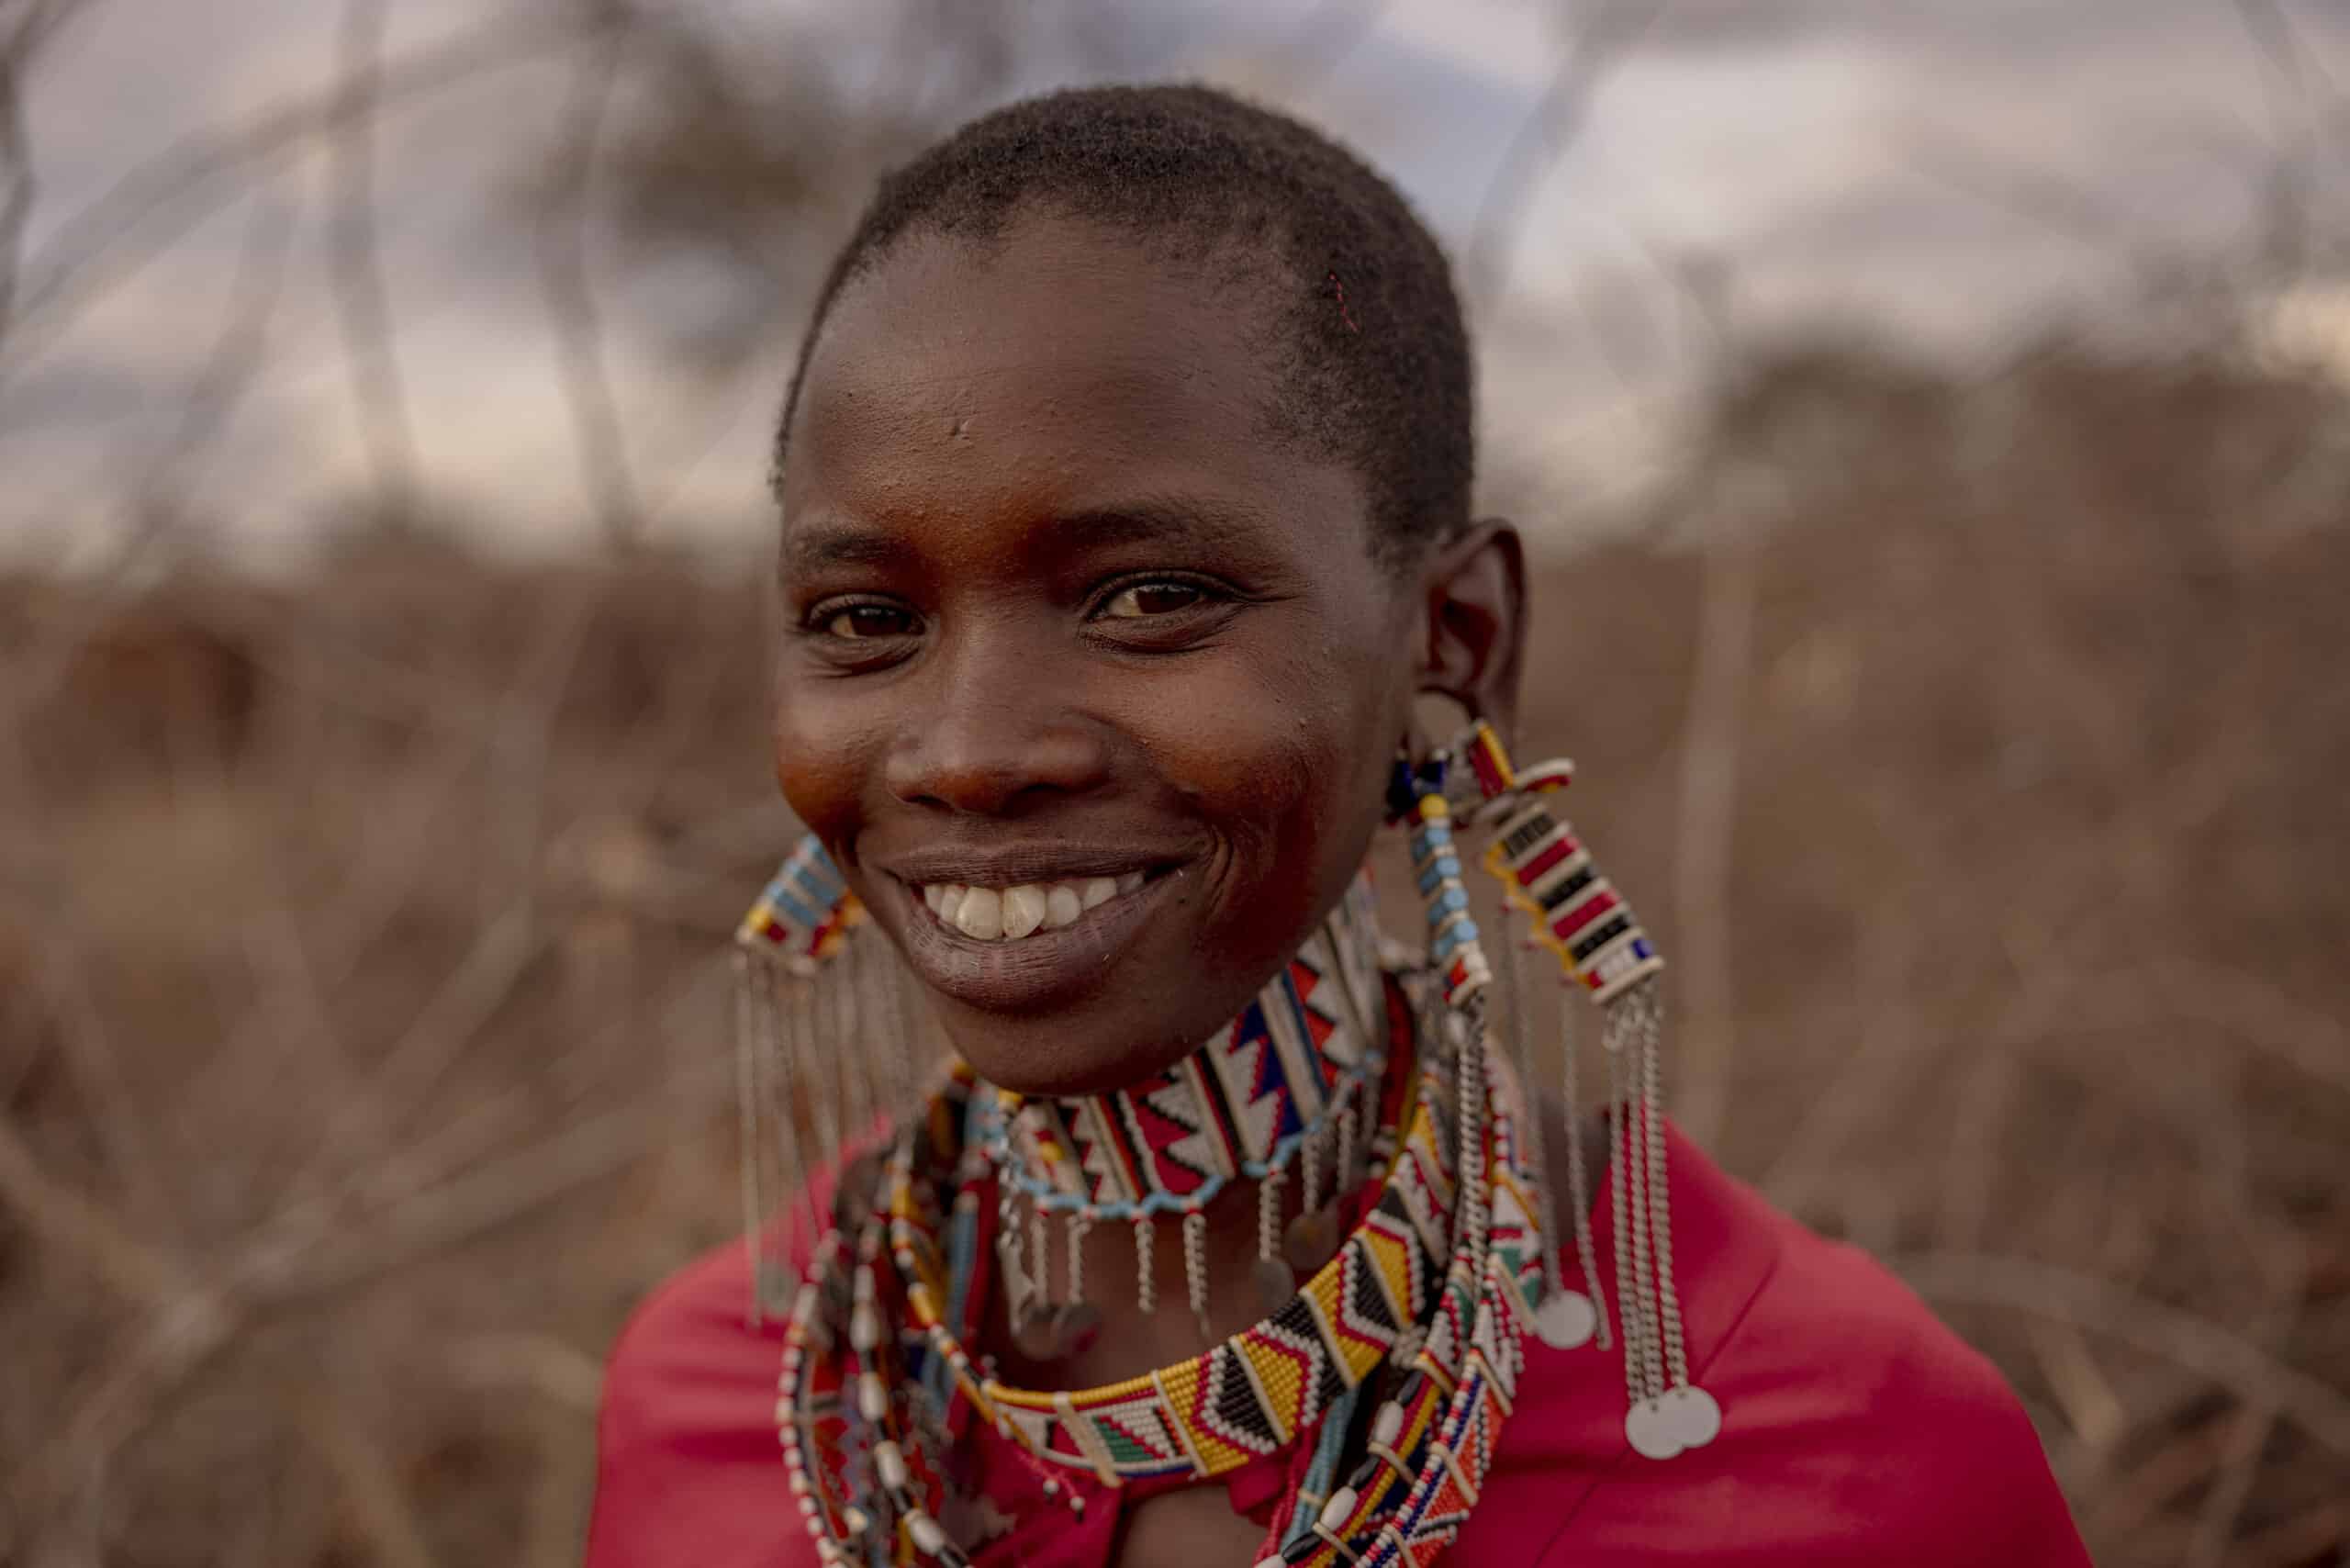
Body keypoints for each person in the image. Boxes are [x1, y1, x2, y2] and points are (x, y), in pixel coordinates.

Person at [584, 85, 2090, 1567]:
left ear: (1453, 636)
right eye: (866, 619)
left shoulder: (1850, 1466)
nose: (971, 757)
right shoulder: (714, 1408)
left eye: (1152, 597)